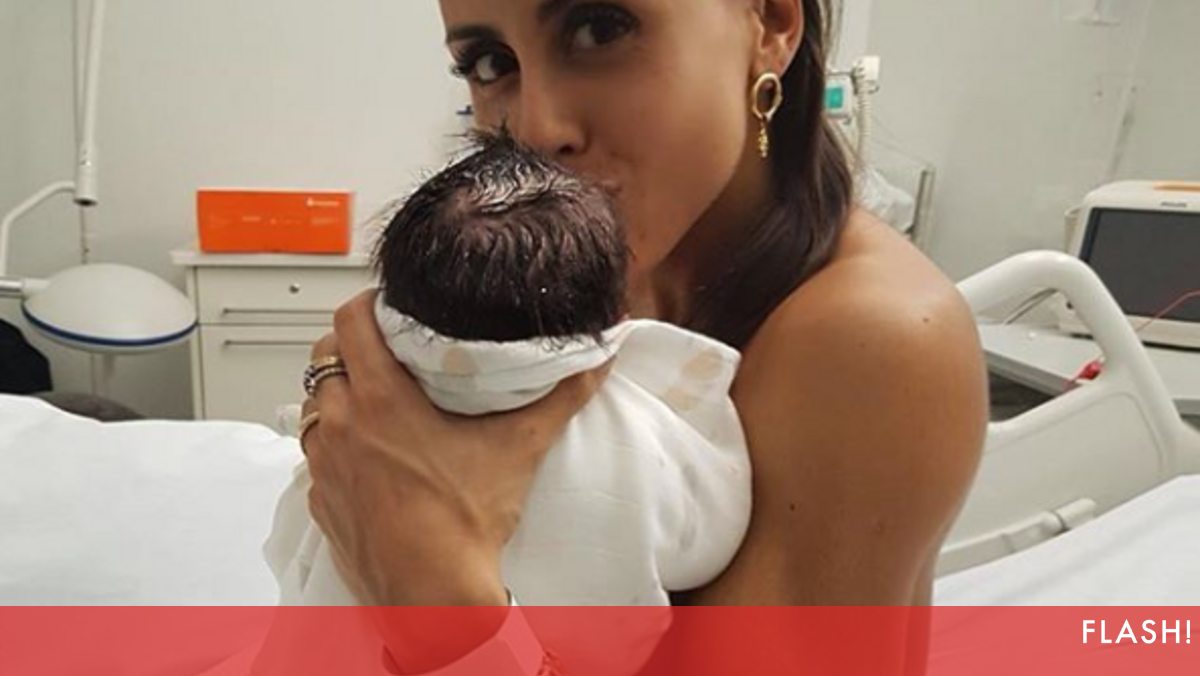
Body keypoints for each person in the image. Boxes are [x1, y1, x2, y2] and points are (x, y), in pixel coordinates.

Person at [298, 0, 988, 673]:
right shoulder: (601, 277)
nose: (534, 129)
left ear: (771, 22)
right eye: (489, 64)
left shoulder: (872, 341)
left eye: (599, 28)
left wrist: (444, 614)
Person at [271, 134, 751, 632]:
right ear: (616, 315)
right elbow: (709, 540)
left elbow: (290, 538)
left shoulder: (360, 433)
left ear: (390, 305)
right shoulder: (638, 434)